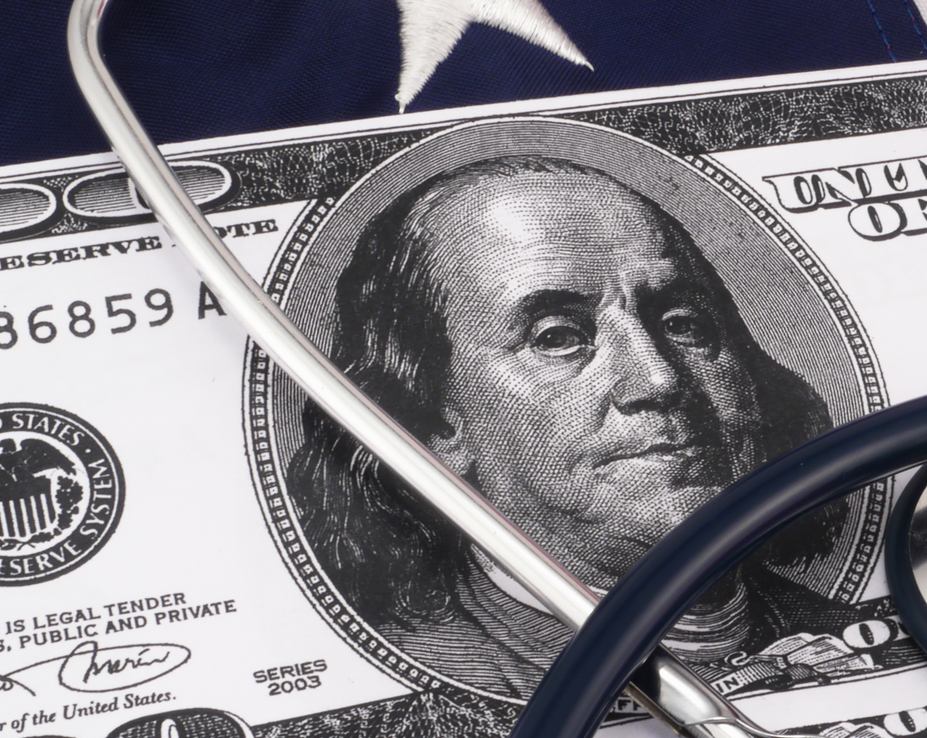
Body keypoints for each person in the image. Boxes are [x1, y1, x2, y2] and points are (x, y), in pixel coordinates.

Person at [288, 153, 885, 699]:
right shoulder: (429, 683)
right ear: (435, 423)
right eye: (557, 337)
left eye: (683, 323)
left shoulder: (870, 642)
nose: (659, 379)